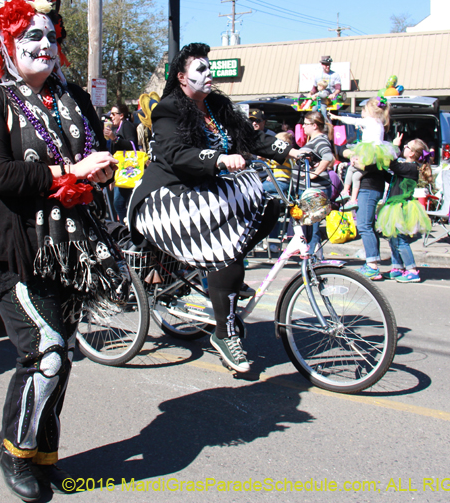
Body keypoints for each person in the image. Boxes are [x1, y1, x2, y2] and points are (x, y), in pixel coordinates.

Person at [0, 0, 129, 501]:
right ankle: (13, 449)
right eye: (29, 36)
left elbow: (88, 152)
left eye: (49, 36)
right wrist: (73, 172)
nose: (42, 45)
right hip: (12, 247)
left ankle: (42, 452)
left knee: (64, 357)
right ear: (3, 44)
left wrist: (99, 169)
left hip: (70, 247)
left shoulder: (74, 96)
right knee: (47, 352)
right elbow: (1, 177)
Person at [128, 42, 302, 374]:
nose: (210, 74)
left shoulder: (217, 106)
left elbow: (250, 139)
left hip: (204, 192)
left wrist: (288, 151)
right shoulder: (169, 109)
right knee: (226, 250)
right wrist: (219, 158)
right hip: (167, 197)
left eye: (210, 68)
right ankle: (224, 333)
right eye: (201, 69)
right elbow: (176, 155)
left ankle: (223, 278)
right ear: (181, 77)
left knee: (269, 208)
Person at [376, 136, 433, 283]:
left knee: (400, 240)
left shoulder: (411, 167)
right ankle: (397, 267)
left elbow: (395, 167)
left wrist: (394, 147)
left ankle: (412, 270)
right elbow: (393, 177)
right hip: (393, 204)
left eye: (407, 147)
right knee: (393, 238)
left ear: (413, 153)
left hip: (400, 207)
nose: (404, 148)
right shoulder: (405, 167)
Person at [330, 96, 394, 214]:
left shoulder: (369, 121)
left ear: (370, 110)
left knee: (351, 169)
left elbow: (353, 121)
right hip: (375, 153)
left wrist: (337, 117)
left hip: (368, 152)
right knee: (356, 176)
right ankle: (353, 199)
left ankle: (345, 191)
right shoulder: (379, 123)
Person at [297, 113, 336, 256]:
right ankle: (313, 257)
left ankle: (314, 259)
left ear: (314, 125)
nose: (303, 126)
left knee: (312, 226)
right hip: (309, 189)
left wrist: (314, 174)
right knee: (308, 226)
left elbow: (328, 156)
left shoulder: (320, 140)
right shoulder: (313, 140)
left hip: (315, 189)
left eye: (306, 123)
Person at [105, 102, 138, 221]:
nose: (111, 117)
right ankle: (130, 225)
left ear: (122, 115)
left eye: (114, 114)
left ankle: (128, 227)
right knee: (122, 202)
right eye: (110, 114)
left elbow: (132, 144)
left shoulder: (127, 125)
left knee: (118, 203)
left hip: (127, 169)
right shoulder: (118, 127)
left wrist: (115, 138)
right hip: (121, 170)